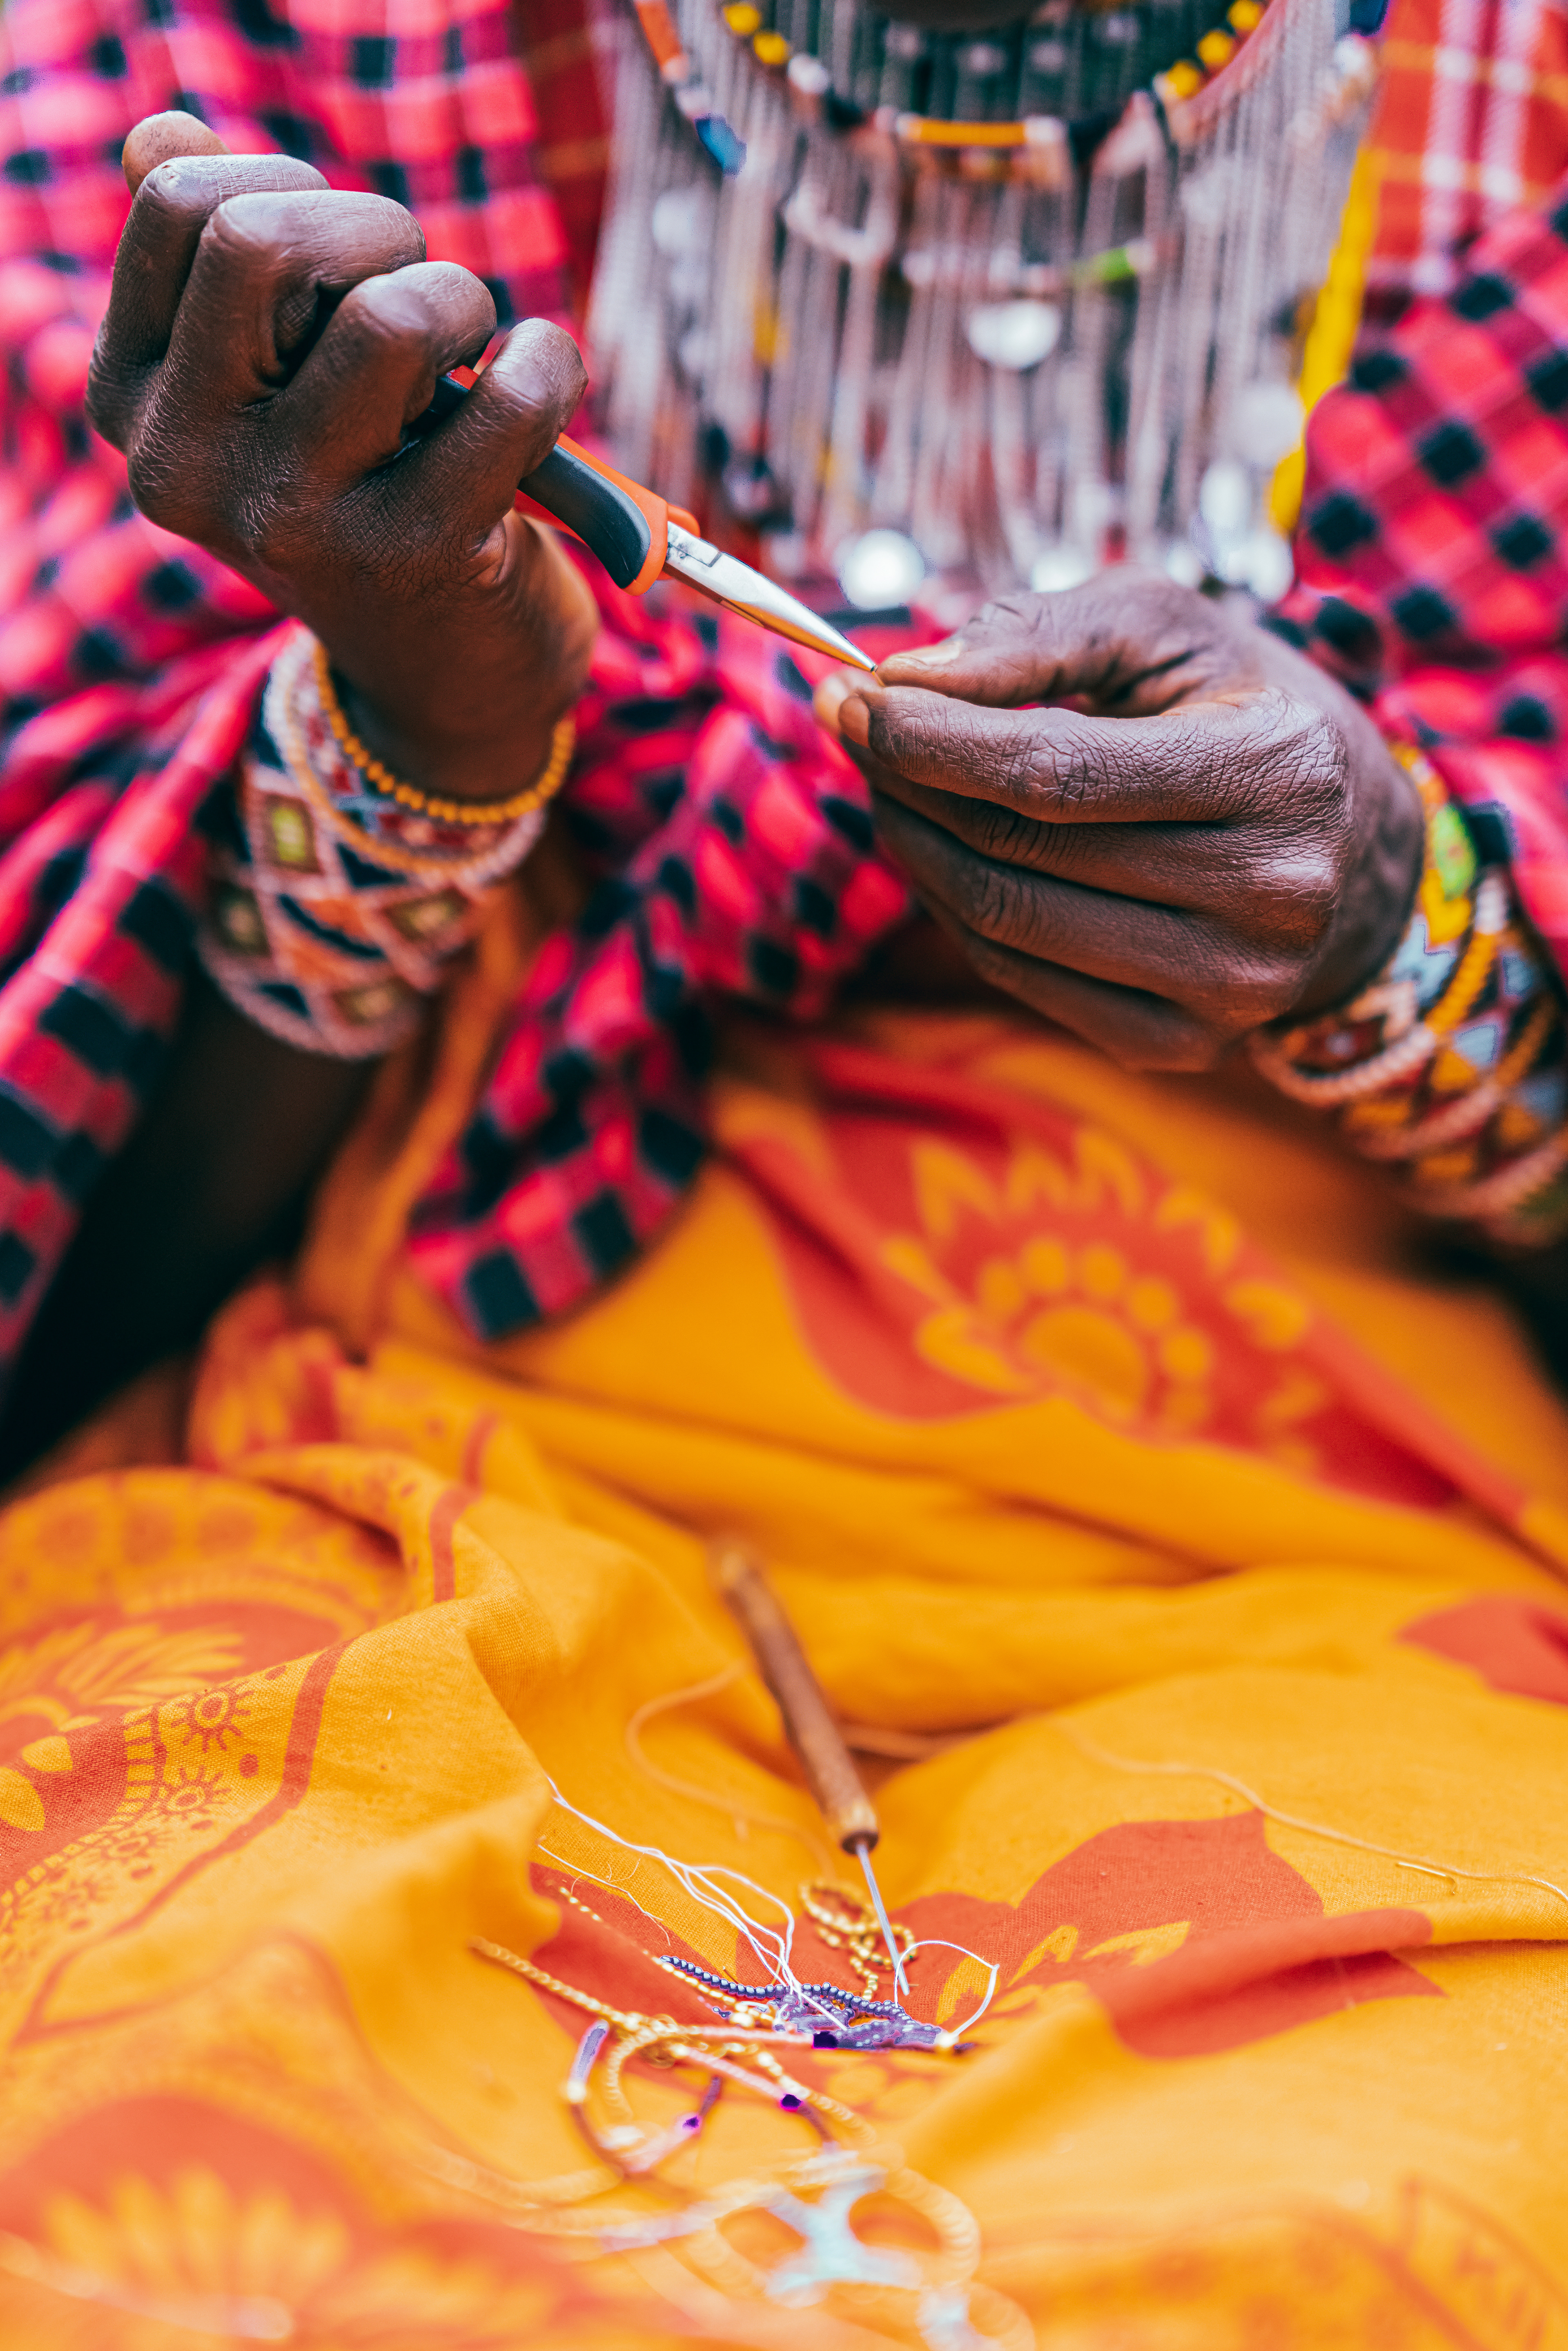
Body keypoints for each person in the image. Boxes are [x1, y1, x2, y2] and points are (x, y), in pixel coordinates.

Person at [0, 0, 1567, 2338]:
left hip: (1351, 1545)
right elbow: (75, 1232)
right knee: (178, 2181)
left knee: (1360, 2254)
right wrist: (421, 716)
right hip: (396, 1453)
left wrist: (1399, 920)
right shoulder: (264, 50)